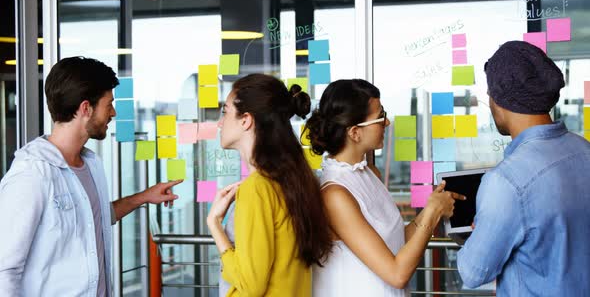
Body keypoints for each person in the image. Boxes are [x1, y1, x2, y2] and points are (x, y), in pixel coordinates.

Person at [0, 57, 182, 296]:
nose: (114, 113)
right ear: (86, 108)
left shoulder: (90, 164)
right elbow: (5, 269)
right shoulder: (32, 174)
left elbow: (93, 217)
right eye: (109, 104)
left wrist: (143, 197)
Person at [304, 79, 464, 296]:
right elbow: (397, 274)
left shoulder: (369, 173)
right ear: (354, 133)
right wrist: (432, 214)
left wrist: (430, 208)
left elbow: (396, 241)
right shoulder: (335, 194)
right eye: (380, 117)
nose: (386, 122)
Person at [457, 41, 590, 295]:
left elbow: (473, 273)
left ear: (498, 99)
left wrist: (481, 235)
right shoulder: (585, 151)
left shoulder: (506, 181)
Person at [207, 74, 332, 296]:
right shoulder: (294, 180)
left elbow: (250, 285)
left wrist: (215, 225)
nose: (220, 122)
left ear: (246, 120)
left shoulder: (257, 188)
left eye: (225, 111)